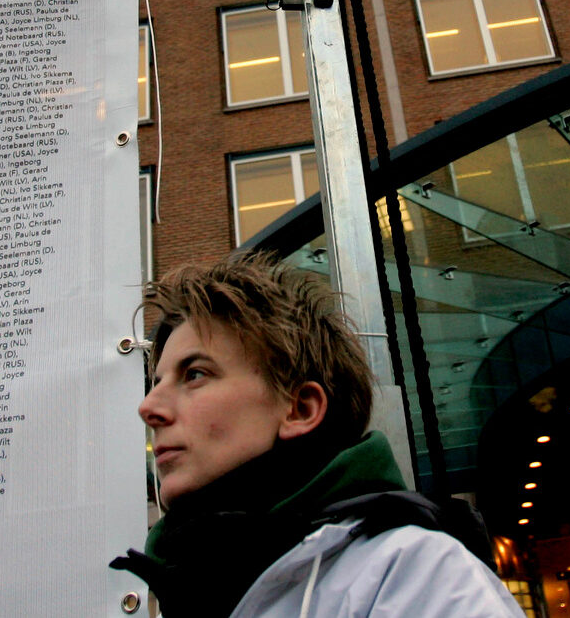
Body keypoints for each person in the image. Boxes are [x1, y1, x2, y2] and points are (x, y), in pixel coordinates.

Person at [110, 254, 524, 617]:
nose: (148, 409)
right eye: (157, 382)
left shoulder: (412, 575)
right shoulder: (185, 591)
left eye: (195, 374)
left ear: (300, 409)